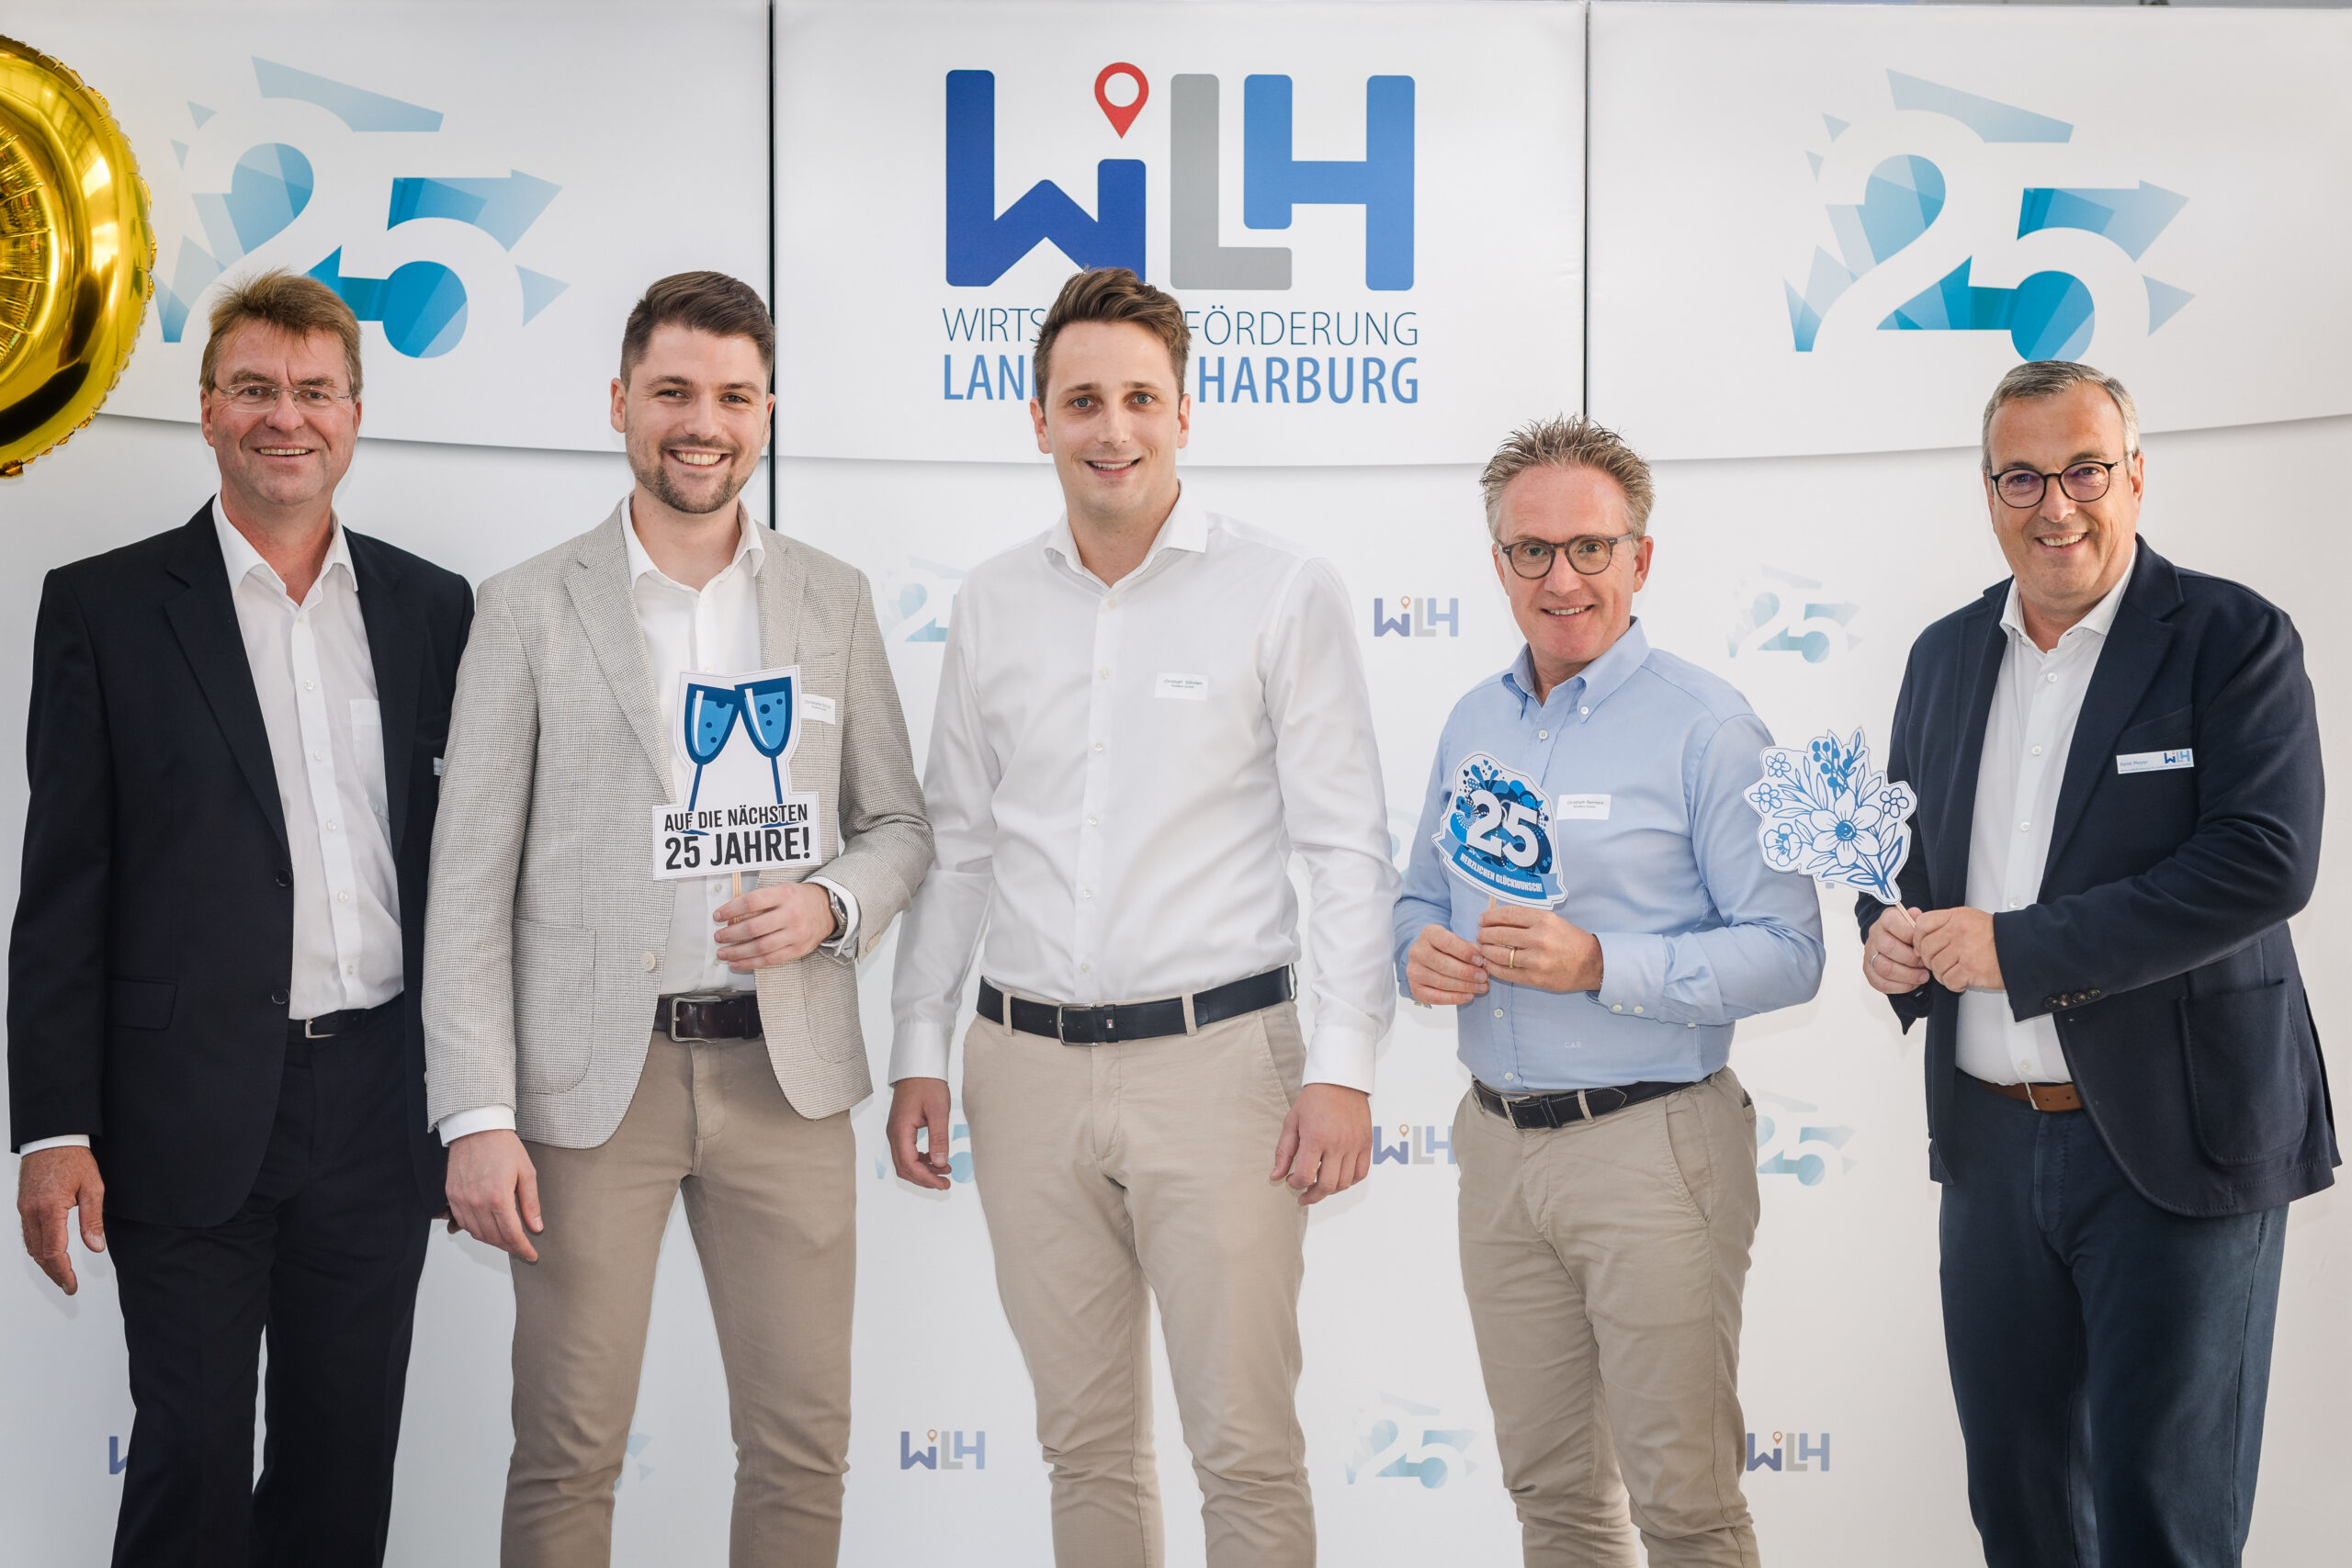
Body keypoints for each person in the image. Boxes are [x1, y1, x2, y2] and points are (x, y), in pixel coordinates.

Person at [885, 265, 1396, 1568]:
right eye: (1082, 401)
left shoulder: (1282, 588)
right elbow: (960, 842)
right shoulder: (991, 599)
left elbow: (1344, 846)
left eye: (1138, 399)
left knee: (1245, 1449)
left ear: (1183, 412)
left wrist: (1343, 1067)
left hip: (1221, 1069)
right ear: (1038, 419)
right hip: (1022, 1070)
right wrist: (919, 1045)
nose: (1111, 428)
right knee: (1085, 1447)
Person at [424, 271, 931, 1568]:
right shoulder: (526, 605)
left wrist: (829, 903)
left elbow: (898, 825)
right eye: (673, 392)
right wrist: (476, 1113)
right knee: (568, 1447)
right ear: (621, 403)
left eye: (733, 397)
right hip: (595, 1086)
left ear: (766, 414)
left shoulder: (832, 597)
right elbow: (468, 881)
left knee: (802, 1447)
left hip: (786, 1077)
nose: (703, 423)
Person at [8, 270, 472, 1565]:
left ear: (355, 413)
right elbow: (63, 886)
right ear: (208, 408)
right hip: (184, 1103)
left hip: (375, 1103)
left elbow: (470, 865)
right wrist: (52, 1126)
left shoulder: (434, 608)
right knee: (194, 1457)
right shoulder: (104, 608)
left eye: (315, 391)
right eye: (256, 388)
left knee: (342, 1465)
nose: (287, 416)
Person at [1860, 360, 2333, 1568]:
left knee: (2163, 1520)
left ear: (2134, 477)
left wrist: (2015, 947)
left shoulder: (2230, 637)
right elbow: (1909, 855)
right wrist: (1891, 932)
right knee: (2019, 1512)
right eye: (2022, 477)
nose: (2054, 504)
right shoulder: (1943, 655)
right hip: (1989, 1148)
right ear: (1988, 492)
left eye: (2083, 470)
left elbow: (2263, 862)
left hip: (2178, 1146)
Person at [1395, 415, 1824, 1568]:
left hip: (1652, 1149)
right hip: (1497, 1150)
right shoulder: (1473, 720)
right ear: (1498, 563)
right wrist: (1415, 951)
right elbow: (1418, 895)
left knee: (1684, 1507)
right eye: (1531, 550)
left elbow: (1790, 950)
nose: (1562, 578)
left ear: (1641, 558)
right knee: (1552, 1501)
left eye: (1590, 547)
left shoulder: (1711, 728)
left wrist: (1600, 964)